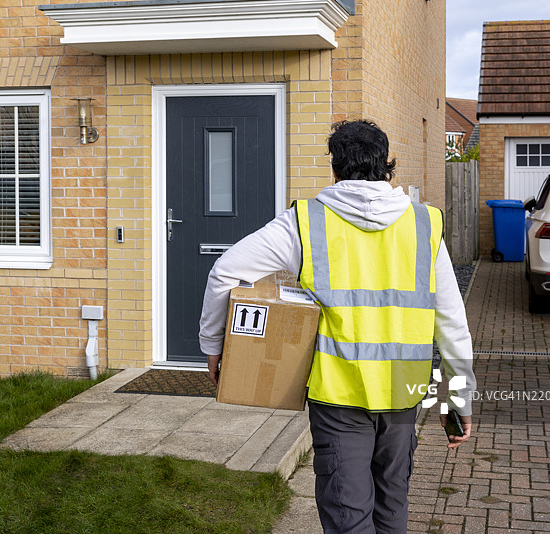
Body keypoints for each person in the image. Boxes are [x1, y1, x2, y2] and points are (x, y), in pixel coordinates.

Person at [199, 119, 476, 533]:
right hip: (403, 396)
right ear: (387, 165)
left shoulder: (304, 222)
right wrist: (457, 401)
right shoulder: (424, 224)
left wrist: (214, 345)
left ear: (334, 168)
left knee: (348, 513)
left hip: (338, 398)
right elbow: (452, 325)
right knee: (392, 505)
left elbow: (224, 271)